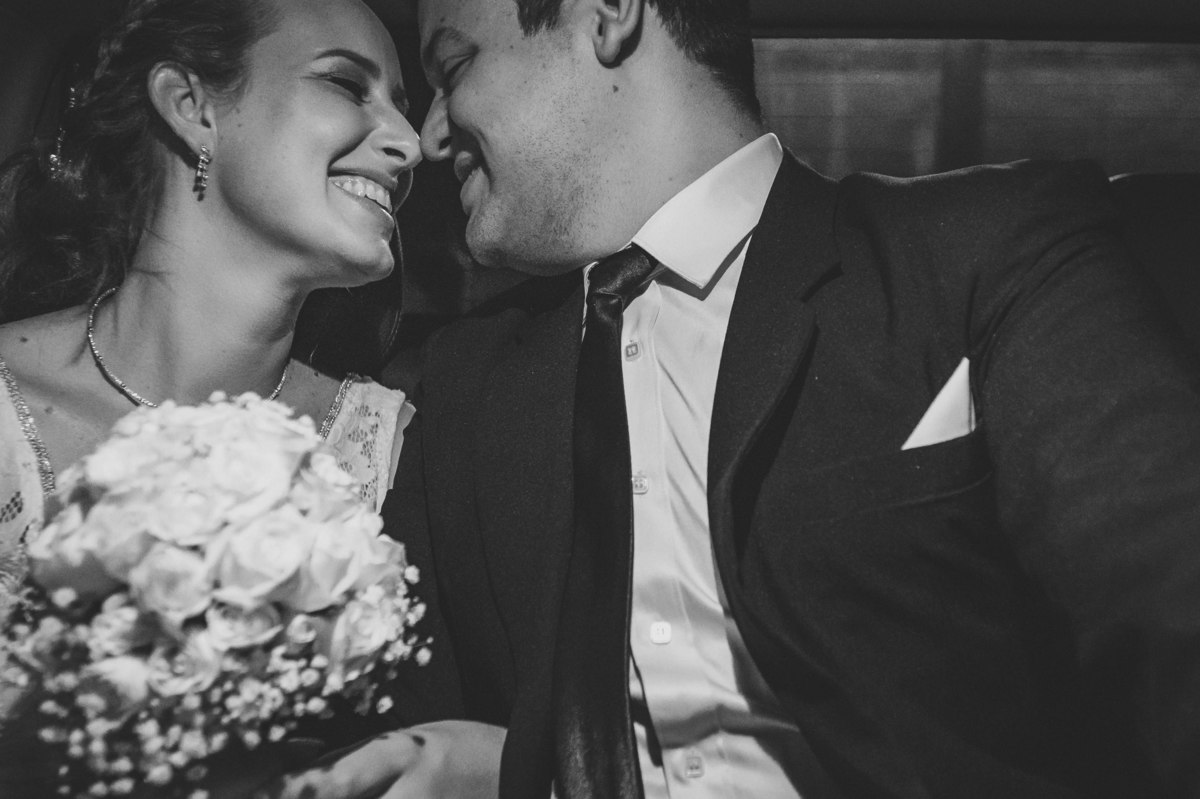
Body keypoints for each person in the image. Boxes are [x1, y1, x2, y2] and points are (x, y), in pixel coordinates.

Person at [270, 0, 1200, 797]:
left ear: (608, 15)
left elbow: (1170, 619)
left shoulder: (980, 255)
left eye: (455, 67)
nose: (430, 134)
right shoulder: (454, 390)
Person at [0, 0, 420, 793]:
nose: (407, 142)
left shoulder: (395, 448)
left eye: (403, 102)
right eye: (345, 84)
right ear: (192, 108)